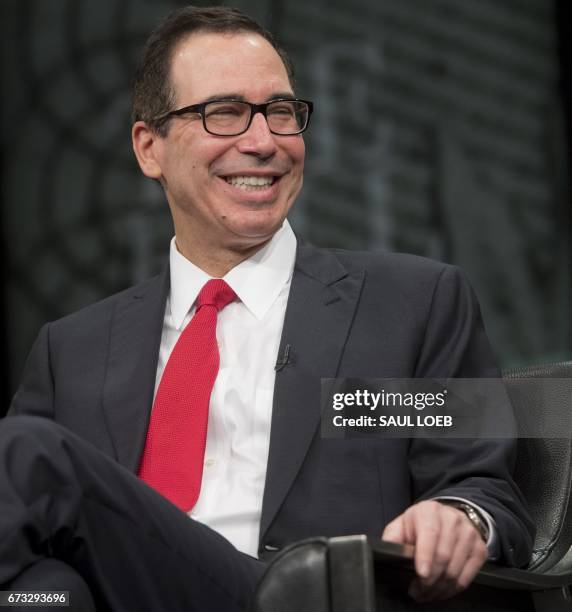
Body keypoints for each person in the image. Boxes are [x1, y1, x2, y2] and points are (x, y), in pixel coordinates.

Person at [0, 5, 534, 611]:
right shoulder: (72, 349)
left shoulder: (412, 304)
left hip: (300, 599)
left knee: (27, 455)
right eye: (223, 114)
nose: (263, 142)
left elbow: (490, 494)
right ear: (150, 148)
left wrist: (459, 516)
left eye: (281, 113)